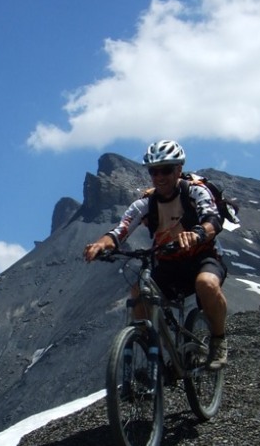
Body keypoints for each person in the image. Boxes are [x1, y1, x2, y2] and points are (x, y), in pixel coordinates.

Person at [84, 139, 230, 369]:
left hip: (203, 257)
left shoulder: (195, 192)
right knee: (138, 295)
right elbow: (120, 230)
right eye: (154, 171)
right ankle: (157, 359)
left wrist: (197, 233)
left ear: (179, 169)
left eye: (166, 170)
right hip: (170, 263)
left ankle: (219, 341)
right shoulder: (145, 203)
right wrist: (101, 244)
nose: (159, 176)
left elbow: (212, 220)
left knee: (206, 284)